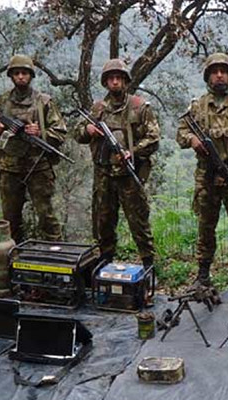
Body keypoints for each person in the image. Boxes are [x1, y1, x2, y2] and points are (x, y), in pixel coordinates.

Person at [176, 53, 228, 290]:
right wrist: (192, 140)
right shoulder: (197, 107)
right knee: (205, 227)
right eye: (215, 71)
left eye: (224, 71)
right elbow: (180, 133)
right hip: (207, 177)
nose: (219, 75)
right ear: (208, 76)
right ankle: (203, 276)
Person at [75, 58, 159, 269]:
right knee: (103, 222)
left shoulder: (139, 107)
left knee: (138, 222)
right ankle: (105, 263)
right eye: (111, 79)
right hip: (103, 174)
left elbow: (154, 138)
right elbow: (76, 133)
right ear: (105, 82)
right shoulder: (97, 110)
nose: (115, 82)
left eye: (118, 79)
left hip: (130, 175)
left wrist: (133, 152)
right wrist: (88, 130)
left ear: (125, 82)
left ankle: (148, 265)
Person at [0, 55, 67, 244]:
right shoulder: (2, 101)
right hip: (9, 168)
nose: (21, 77)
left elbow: (61, 132)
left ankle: (57, 255)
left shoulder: (43, 101)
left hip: (38, 166)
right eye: (17, 73)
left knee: (46, 216)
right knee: (10, 218)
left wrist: (40, 133)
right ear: (11, 76)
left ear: (31, 76)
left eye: (24, 73)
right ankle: (12, 258)